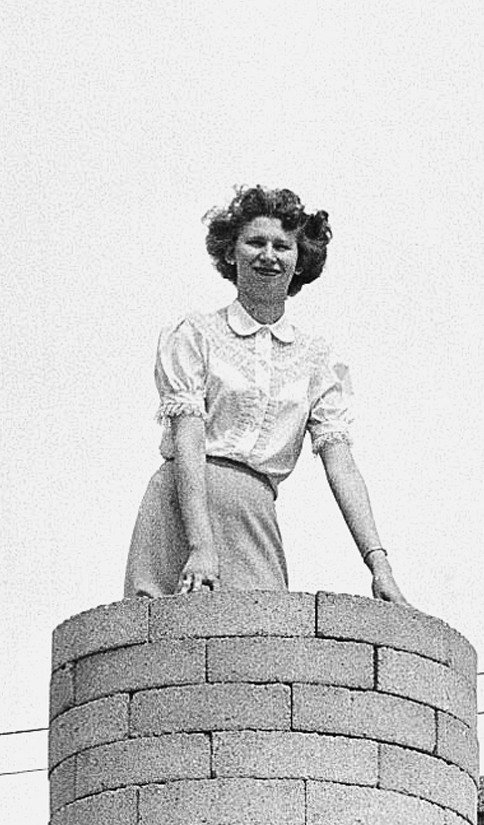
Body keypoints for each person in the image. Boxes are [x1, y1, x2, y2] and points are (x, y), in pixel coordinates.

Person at [127, 184, 406, 607]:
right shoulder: (194, 334)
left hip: (254, 514)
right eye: (255, 242)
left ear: (300, 260)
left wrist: (379, 564)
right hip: (182, 505)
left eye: (282, 246)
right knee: (164, 630)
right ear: (230, 252)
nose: (268, 256)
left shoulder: (321, 360)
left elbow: (342, 465)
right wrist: (201, 545)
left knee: (260, 629)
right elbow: (188, 438)